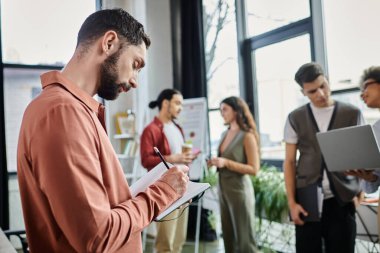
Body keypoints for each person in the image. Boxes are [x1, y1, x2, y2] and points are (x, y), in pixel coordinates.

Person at [17, 9, 189, 253]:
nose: (135, 81)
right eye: (136, 64)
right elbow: (98, 237)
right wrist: (164, 192)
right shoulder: (63, 112)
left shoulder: (72, 109)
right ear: (109, 43)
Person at [283, 62, 363, 253]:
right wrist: (292, 203)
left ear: (328, 80)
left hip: (342, 199)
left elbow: (362, 155)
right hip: (307, 200)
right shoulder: (295, 117)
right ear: (303, 93)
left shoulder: (352, 114)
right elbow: (289, 162)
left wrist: (360, 194)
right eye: (312, 91)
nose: (320, 94)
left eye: (322, 86)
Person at [140, 88, 196, 253]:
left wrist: (185, 159)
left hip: (183, 190)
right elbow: (146, 160)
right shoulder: (150, 130)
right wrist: (173, 158)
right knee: (166, 244)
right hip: (165, 191)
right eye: (177, 103)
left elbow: (180, 157)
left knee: (179, 240)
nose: (180, 108)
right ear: (165, 103)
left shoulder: (177, 128)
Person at [207, 96, 260, 253]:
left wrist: (226, 163)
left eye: (225, 109)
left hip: (240, 192)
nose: (221, 113)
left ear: (236, 111)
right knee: (228, 237)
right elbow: (224, 159)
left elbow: (254, 169)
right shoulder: (225, 134)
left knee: (244, 240)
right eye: (220, 110)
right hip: (224, 190)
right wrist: (215, 162)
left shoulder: (247, 136)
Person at [346, 66, 380, 238]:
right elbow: (375, 182)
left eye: (366, 86)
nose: (362, 94)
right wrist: (369, 176)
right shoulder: (376, 129)